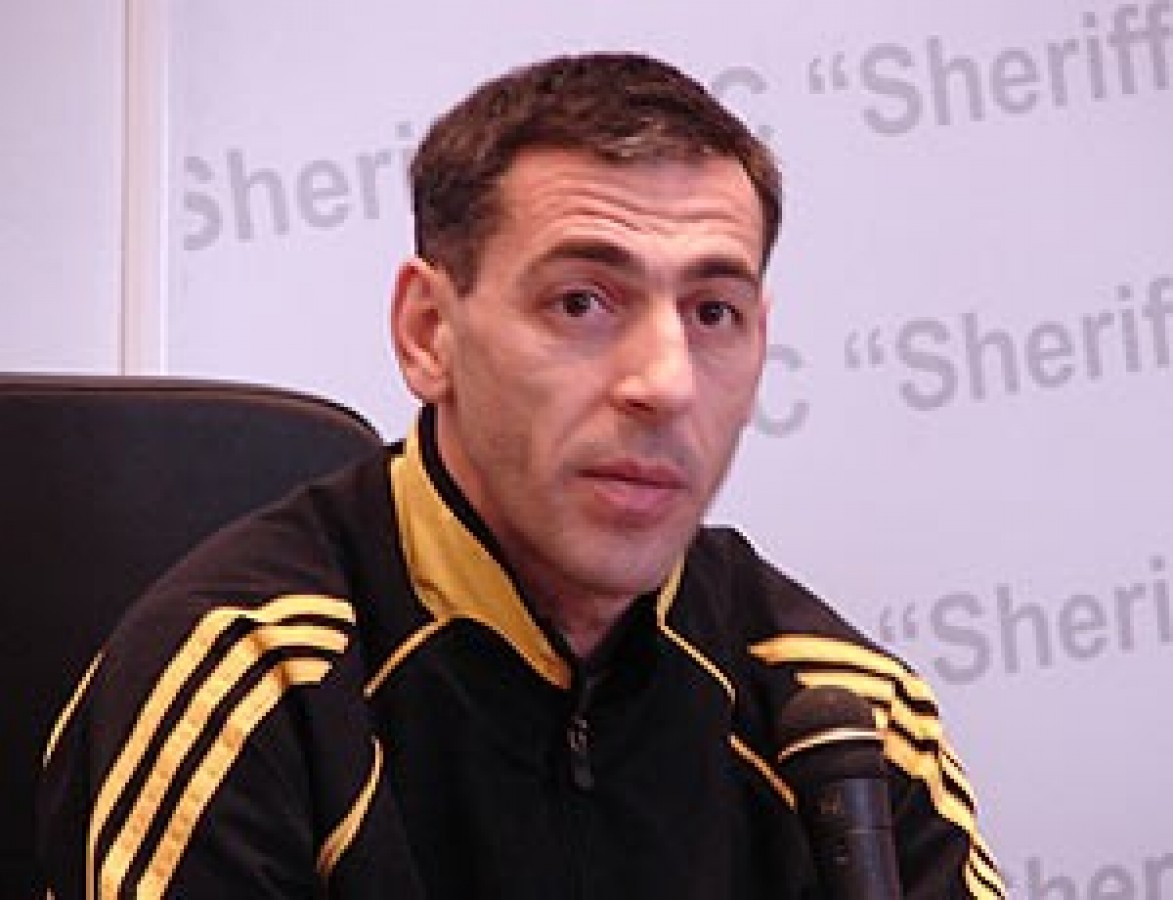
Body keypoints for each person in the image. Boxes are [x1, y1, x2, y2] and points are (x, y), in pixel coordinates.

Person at [38, 51, 1005, 898]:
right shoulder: (251, 681)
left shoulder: (843, 717)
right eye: (582, 301)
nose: (665, 383)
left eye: (713, 312)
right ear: (429, 332)